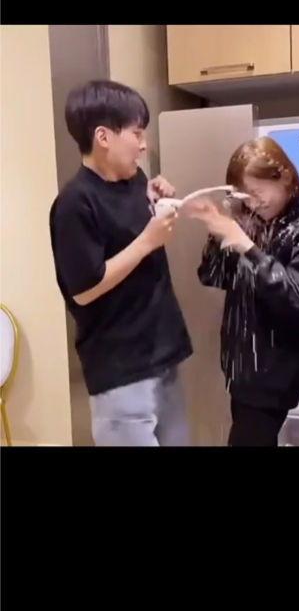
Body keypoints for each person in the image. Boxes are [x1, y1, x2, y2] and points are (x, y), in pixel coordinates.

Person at [49, 80, 192, 446]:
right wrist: (148, 240)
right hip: (121, 370)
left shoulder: (135, 179)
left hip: (163, 354)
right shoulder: (74, 203)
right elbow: (84, 290)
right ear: (103, 137)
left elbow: (131, 228)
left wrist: (156, 199)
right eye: (136, 133)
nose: (144, 144)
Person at [188, 136, 299, 447]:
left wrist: (247, 247)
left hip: (275, 375)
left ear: (285, 178)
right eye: (246, 197)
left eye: (258, 193)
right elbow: (213, 277)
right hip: (243, 372)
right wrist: (218, 235)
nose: (254, 204)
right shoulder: (252, 218)